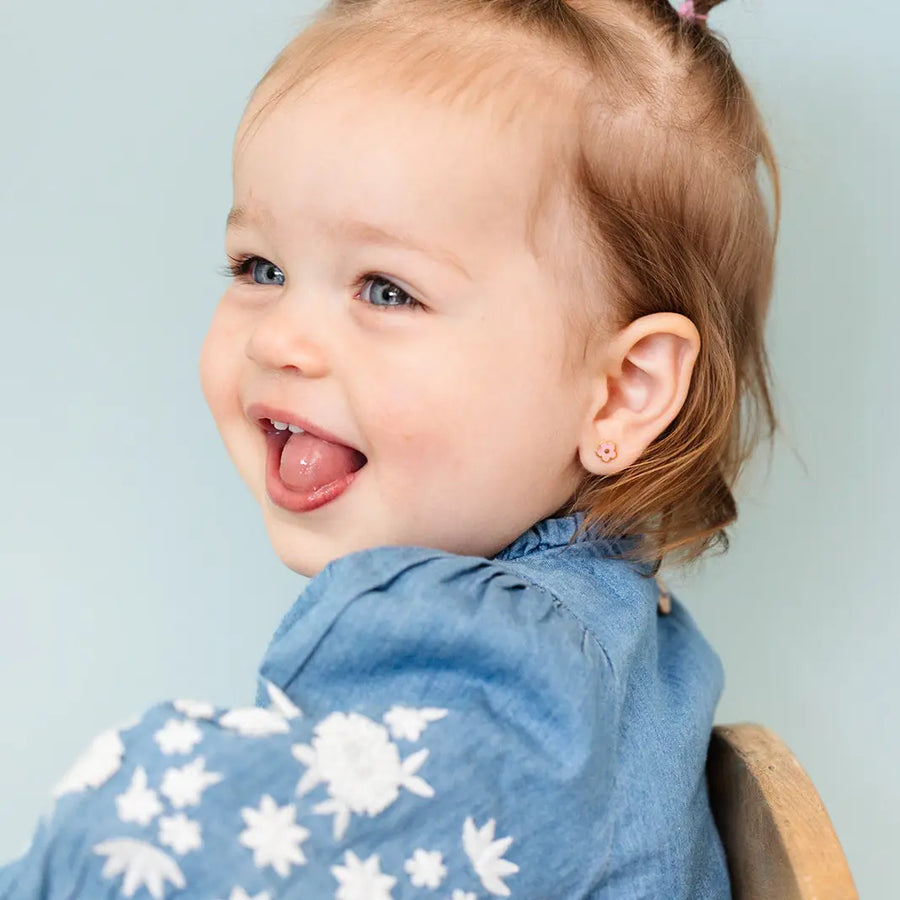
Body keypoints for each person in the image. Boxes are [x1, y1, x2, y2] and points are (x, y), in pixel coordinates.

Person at [0, 0, 780, 896]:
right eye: (261, 269)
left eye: (386, 290)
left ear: (621, 392)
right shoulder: (612, 630)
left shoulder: (503, 675)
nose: (280, 339)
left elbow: (156, 856)